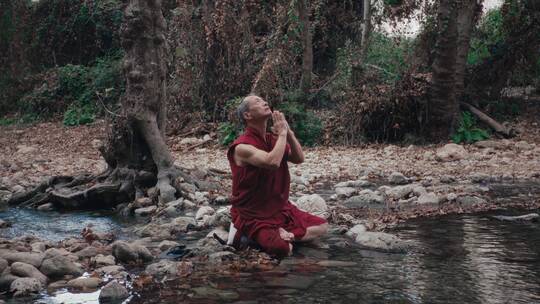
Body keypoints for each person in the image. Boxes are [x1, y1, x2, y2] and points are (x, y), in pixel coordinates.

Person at [226, 94, 328, 258]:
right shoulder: (241, 147)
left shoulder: (271, 139)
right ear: (247, 115)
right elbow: (272, 162)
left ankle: (286, 234)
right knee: (283, 249)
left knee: (322, 226)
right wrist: (281, 135)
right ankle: (254, 235)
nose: (265, 102)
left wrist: (288, 132)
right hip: (253, 214)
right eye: (258, 102)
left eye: (263, 100)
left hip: (278, 209)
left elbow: (298, 158)